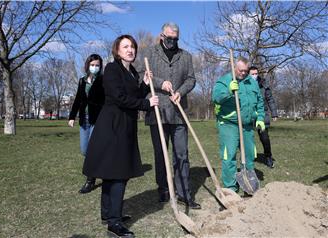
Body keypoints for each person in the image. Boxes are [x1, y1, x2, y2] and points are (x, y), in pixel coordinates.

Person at [83, 35, 159, 238]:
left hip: (125, 127)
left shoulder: (132, 71)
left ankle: (107, 214)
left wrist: (143, 85)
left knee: (111, 174)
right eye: (125, 46)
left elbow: (133, 96)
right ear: (117, 50)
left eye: (132, 46)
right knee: (117, 175)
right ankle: (114, 224)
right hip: (112, 127)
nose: (130, 50)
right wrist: (147, 104)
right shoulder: (111, 69)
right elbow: (119, 98)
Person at [140, 22, 200, 209]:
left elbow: (191, 79)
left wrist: (180, 91)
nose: (172, 41)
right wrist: (160, 83)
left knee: (181, 153)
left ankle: (183, 192)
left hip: (178, 112)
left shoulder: (186, 56)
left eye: (175, 39)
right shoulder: (150, 53)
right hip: (157, 110)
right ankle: (164, 188)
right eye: (169, 38)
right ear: (161, 36)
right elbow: (143, 75)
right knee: (161, 154)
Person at [212, 57, 265, 192]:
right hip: (229, 124)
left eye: (246, 71)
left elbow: (259, 101)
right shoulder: (225, 80)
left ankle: (249, 187)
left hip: (247, 125)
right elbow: (216, 98)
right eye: (241, 70)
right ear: (234, 68)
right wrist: (229, 91)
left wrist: (260, 117)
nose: (243, 73)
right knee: (229, 156)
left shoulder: (251, 83)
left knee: (249, 155)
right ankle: (231, 188)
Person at [68, 54, 105, 194]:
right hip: (85, 119)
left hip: (98, 119)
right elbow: (78, 99)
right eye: (92, 65)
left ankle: (90, 180)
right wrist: (72, 116)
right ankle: (100, 168)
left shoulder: (102, 80)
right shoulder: (82, 81)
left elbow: (106, 100)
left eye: (97, 65)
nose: (94, 67)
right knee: (84, 150)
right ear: (87, 65)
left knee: (92, 150)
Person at [249, 66, 278, 168]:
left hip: (263, 114)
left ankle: (268, 156)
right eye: (252, 74)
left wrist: (274, 113)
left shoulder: (264, 85)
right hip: (249, 114)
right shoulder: (245, 84)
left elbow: (270, 99)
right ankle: (248, 157)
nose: (254, 76)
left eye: (256, 74)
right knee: (247, 137)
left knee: (264, 138)